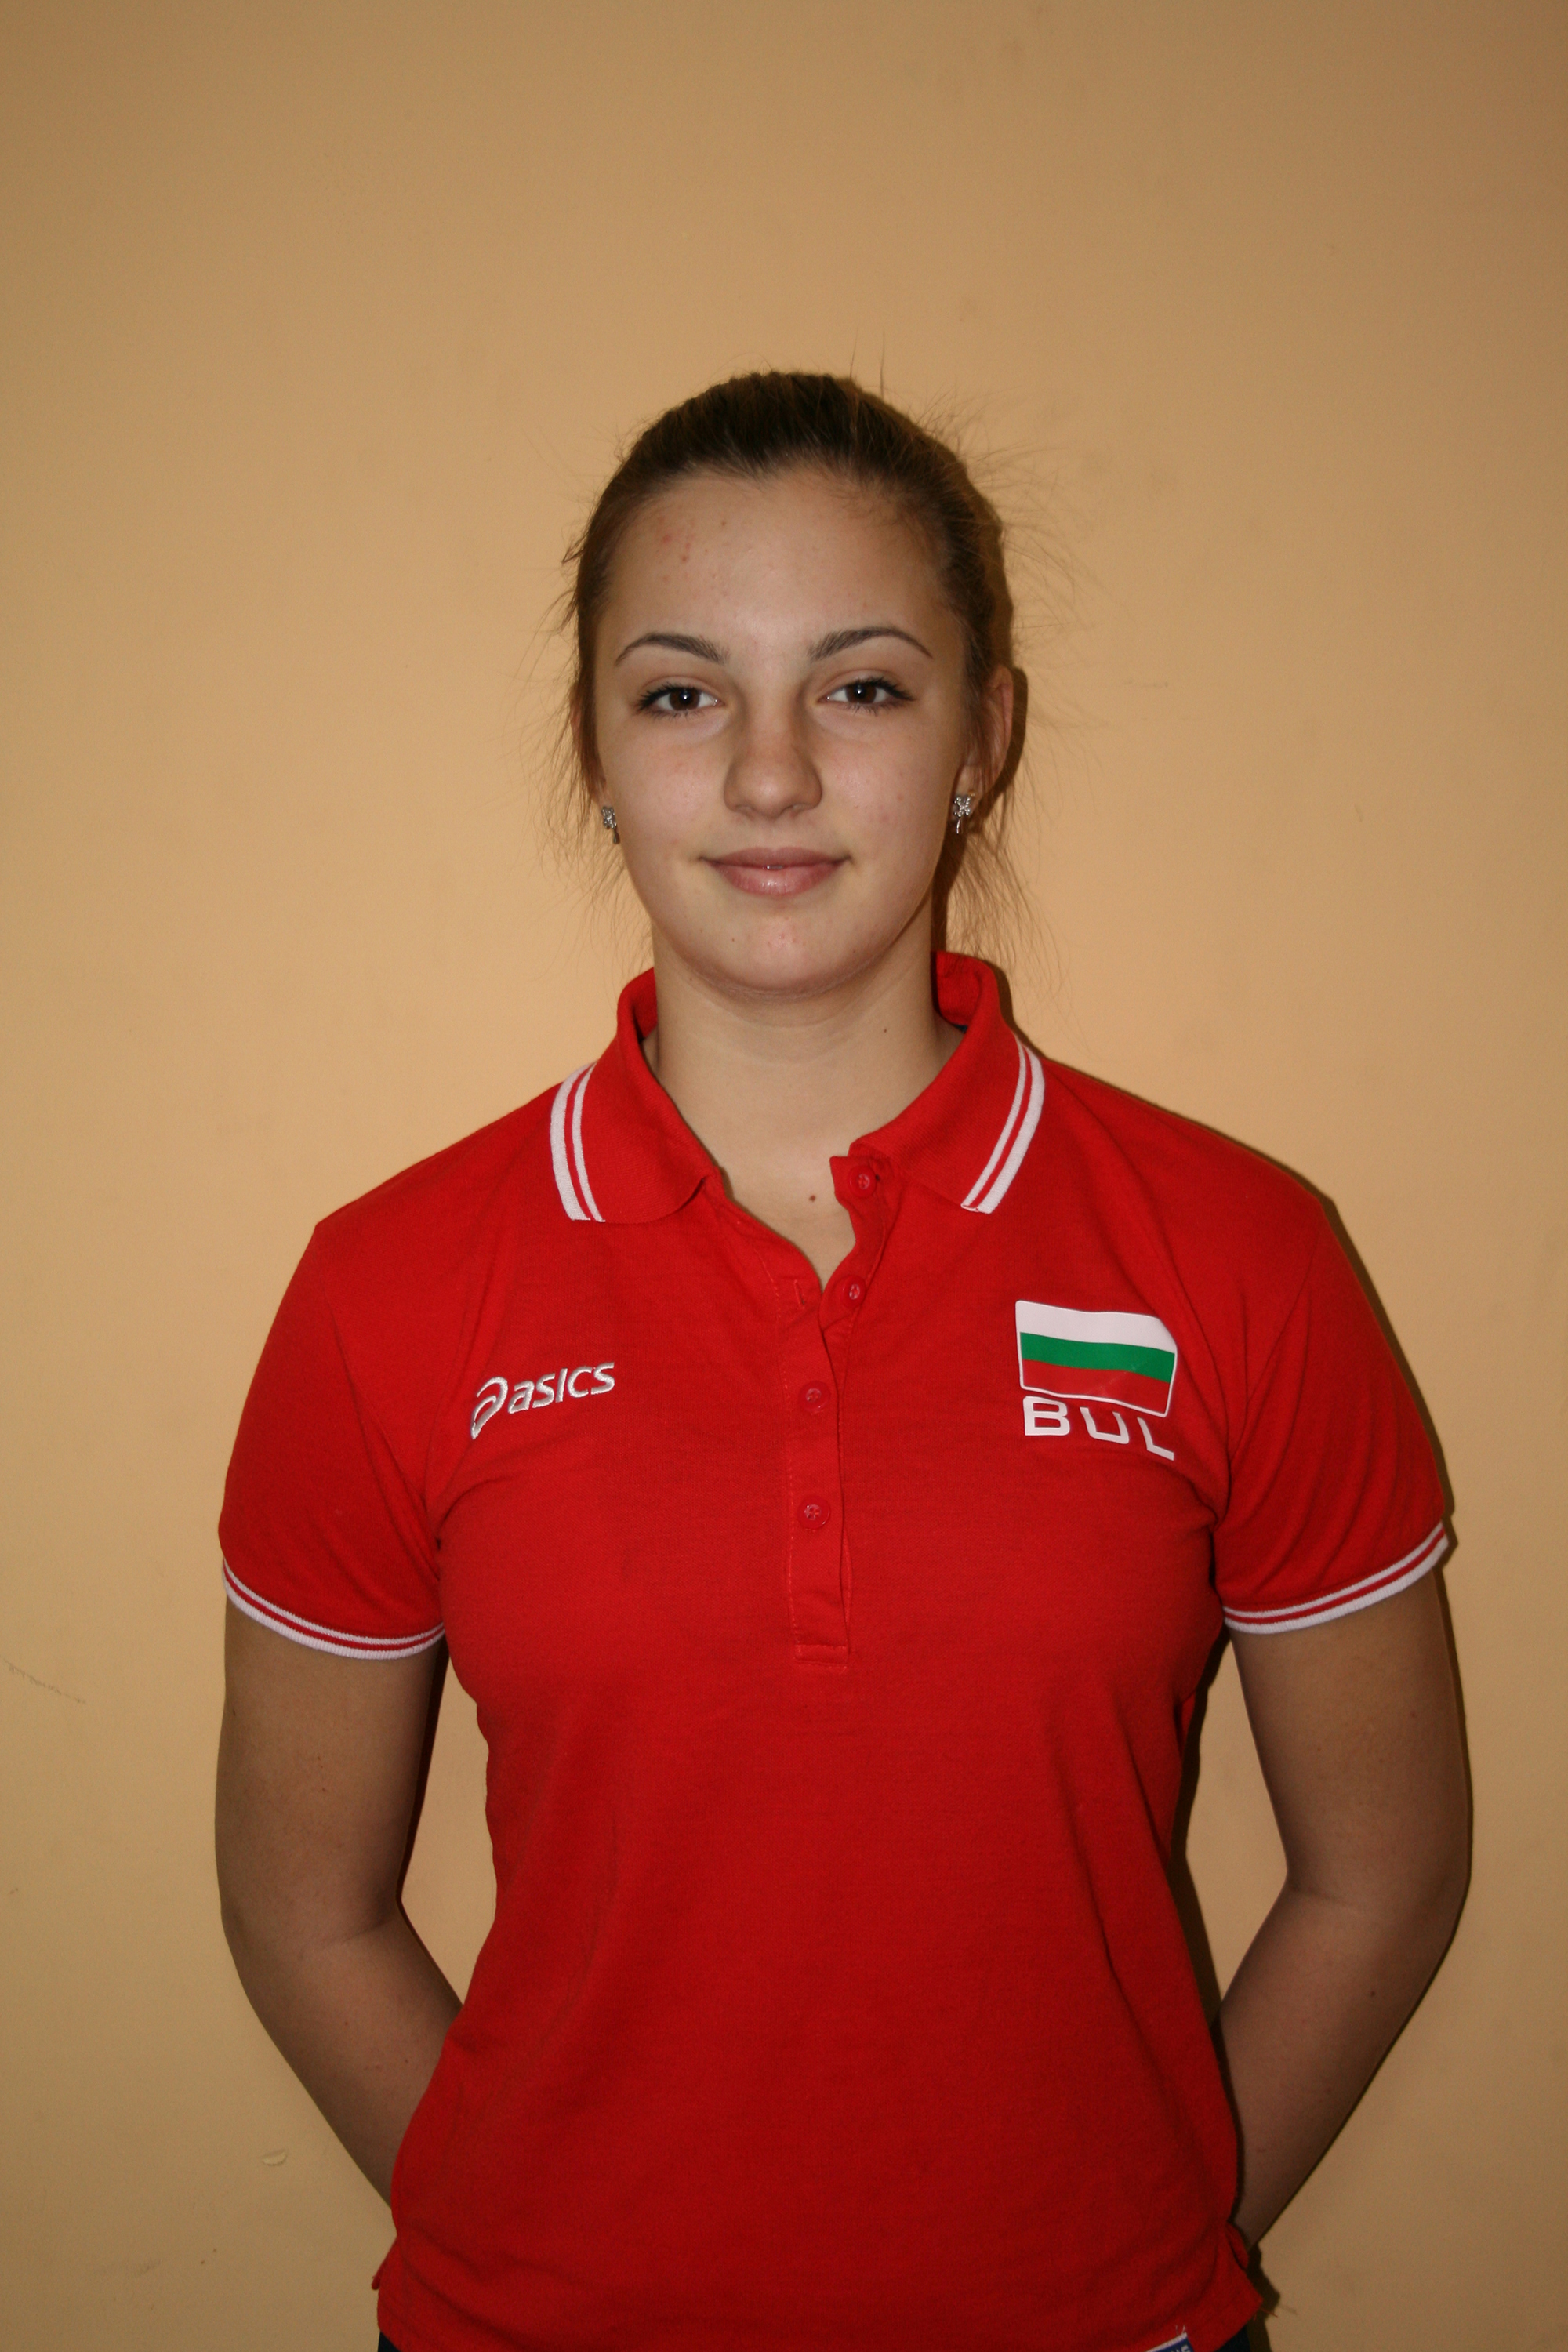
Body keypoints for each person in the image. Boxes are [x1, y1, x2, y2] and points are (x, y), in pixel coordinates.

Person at [214, 372, 1469, 2352]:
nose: (772, 775)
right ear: (596, 751)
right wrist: (530, 2246)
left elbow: (1382, 1872)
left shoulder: (1243, 1256)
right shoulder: (390, 1290)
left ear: (986, 737)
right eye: (682, 693)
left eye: (863, 687)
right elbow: (305, 1908)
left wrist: (1157, 2244)